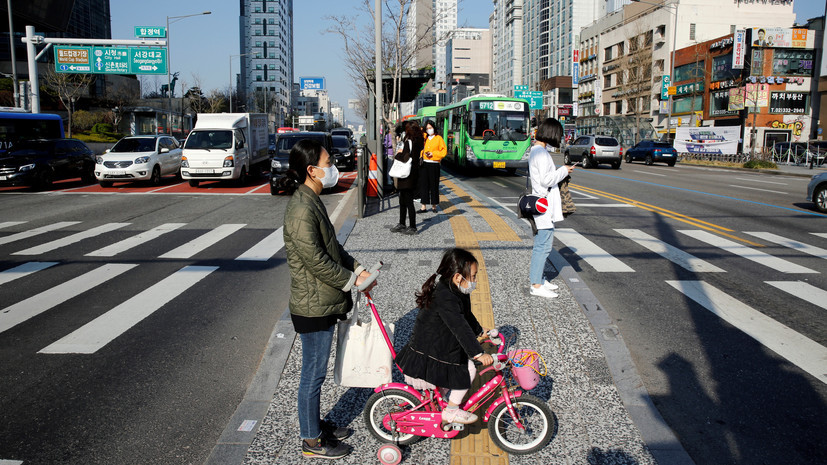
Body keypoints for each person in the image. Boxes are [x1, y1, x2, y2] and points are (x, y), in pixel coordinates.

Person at [277, 139, 377, 459]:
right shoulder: (301, 209)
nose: (332, 166)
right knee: (313, 374)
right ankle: (311, 441)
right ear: (312, 170)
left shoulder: (312, 199)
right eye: (327, 161)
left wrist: (359, 269)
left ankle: (314, 425)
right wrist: (352, 281)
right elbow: (316, 261)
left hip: (321, 301)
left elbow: (334, 249)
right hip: (313, 306)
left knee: (315, 372)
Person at [395, 248, 495, 424]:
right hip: (428, 350)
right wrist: (478, 353)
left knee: (457, 368)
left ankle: (437, 399)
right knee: (468, 369)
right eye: (472, 276)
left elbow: (466, 316)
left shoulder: (455, 289)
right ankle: (451, 410)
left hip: (438, 343)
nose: (474, 281)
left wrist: (480, 331)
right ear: (458, 277)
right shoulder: (445, 297)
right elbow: (459, 327)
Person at [528, 118, 575, 299]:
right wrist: (563, 170)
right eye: (559, 134)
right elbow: (547, 180)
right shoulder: (541, 153)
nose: (560, 138)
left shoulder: (537, 150)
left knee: (544, 244)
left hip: (542, 203)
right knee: (543, 246)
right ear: (552, 133)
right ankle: (536, 284)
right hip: (543, 205)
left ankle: (540, 278)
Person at [391, 120, 423, 235]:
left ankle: (412, 226)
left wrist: (398, 154)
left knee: (406, 201)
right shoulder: (418, 140)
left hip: (406, 174)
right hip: (411, 173)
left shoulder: (409, 141)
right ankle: (402, 223)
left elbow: (405, 157)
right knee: (404, 200)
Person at [418, 120, 447, 213]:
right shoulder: (425, 138)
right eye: (427, 128)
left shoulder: (439, 138)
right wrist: (423, 153)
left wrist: (433, 154)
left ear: (434, 128)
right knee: (424, 185)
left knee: (434, 185)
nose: (429, 130)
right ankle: (423, 206)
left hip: (434, 164)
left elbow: (443, 151)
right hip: (425, 163)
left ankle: (434, 205)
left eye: (430, 128)